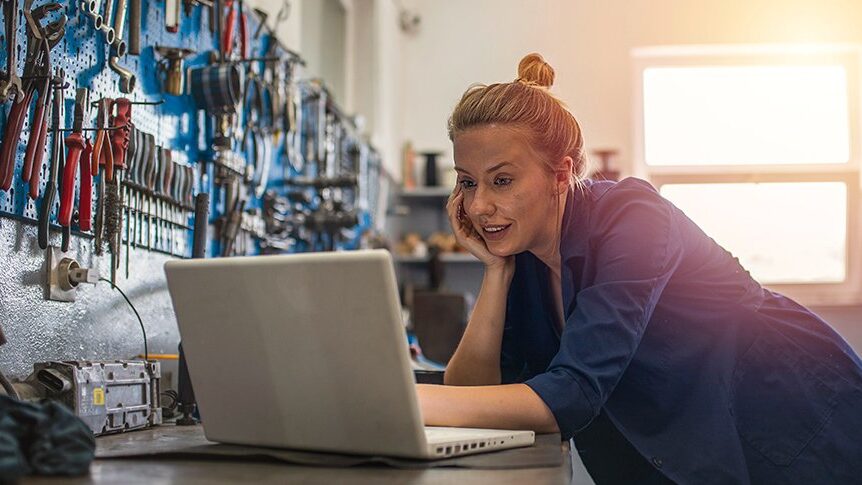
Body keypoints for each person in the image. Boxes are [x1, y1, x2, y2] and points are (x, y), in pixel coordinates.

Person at [415, 53, 862, 484]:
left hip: (793, 416)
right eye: (468, 182)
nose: (477, 205)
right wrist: (496, 273)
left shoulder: (632, 218)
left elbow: (573, 393)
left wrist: (407, 400)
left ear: (559, 174)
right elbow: (472, 394)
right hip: (688, 443)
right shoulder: (522, 256)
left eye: (502, 180)